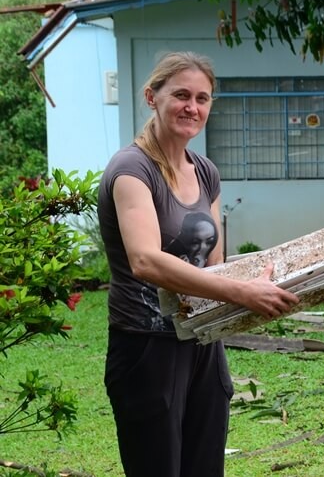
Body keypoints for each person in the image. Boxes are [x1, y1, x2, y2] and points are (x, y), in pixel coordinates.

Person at [97, 51, 300, 477]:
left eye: (203, 98)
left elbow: (215, 265)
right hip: (146, 346)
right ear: (153, 97)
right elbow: (145, 261)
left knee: (204, 467)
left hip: (203, 341)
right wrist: (242, 292)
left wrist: (255, 282)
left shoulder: (205, 171)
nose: (193, 107)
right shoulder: (131, 169)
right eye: (182, 95)